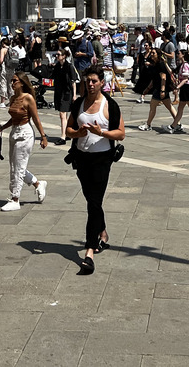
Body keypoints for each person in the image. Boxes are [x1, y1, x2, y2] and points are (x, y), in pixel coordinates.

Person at [65, 64, 126, 275]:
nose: (90, 84)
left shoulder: (110, 105)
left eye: (94, 81)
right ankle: (103, 232)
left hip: (102, 159)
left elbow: (120, 134)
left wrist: (102, 133)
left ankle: (89, 252)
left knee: (93, 203)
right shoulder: (79, 103)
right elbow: (68, 130)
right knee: (91, 198)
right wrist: (78, 134)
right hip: (81, 159)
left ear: (102, 83)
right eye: (87, 81)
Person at [0, 72, 49, 211]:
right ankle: (37, 184)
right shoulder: (13, 98)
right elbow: (13, 119)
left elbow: (36, 119)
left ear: (22, 82)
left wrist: (43, 136)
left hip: (25, 134)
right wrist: (1, 128)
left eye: (15, 81)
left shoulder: (28, 98)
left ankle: (15, 199)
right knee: (14, 167)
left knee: (18, 168)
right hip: (14, 133)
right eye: (11, 81)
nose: (12, 83)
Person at [135, 49, 177, 131]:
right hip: (159, 88)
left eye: (153, 53)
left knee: (152, 107)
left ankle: (148, 124)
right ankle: (177, 124)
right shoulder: (155, 64)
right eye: (151, 53)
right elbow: (154, 79)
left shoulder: (160, 65)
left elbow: (163, 78)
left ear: (158, 55)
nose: (151, 54)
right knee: (169, 106)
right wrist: (147, 89)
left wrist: (162, 90)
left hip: (160, 89)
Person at [52, 43, 75, 143]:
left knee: (63, 113)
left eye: (58, 55)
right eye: (56, 55)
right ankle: (66, 133)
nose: (57, 56)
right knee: (63, 114)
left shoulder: (69, 67)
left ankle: (63, 137)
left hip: (67, 92)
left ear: (64, 56)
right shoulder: (57, 66)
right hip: (59, 92)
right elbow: (53, 78)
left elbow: (73, 81)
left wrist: (74, 95)